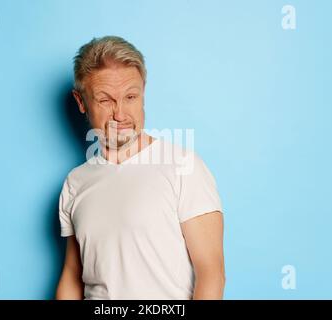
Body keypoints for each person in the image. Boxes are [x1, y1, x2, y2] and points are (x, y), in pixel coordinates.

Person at [55, 36, 225, 300]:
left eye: (131, 96)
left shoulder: (182, 167)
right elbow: (71, 275)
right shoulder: (75, 182)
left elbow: (211, 273)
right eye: (106, 100)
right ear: (81, 102)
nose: (121, 114)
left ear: (143, 92)